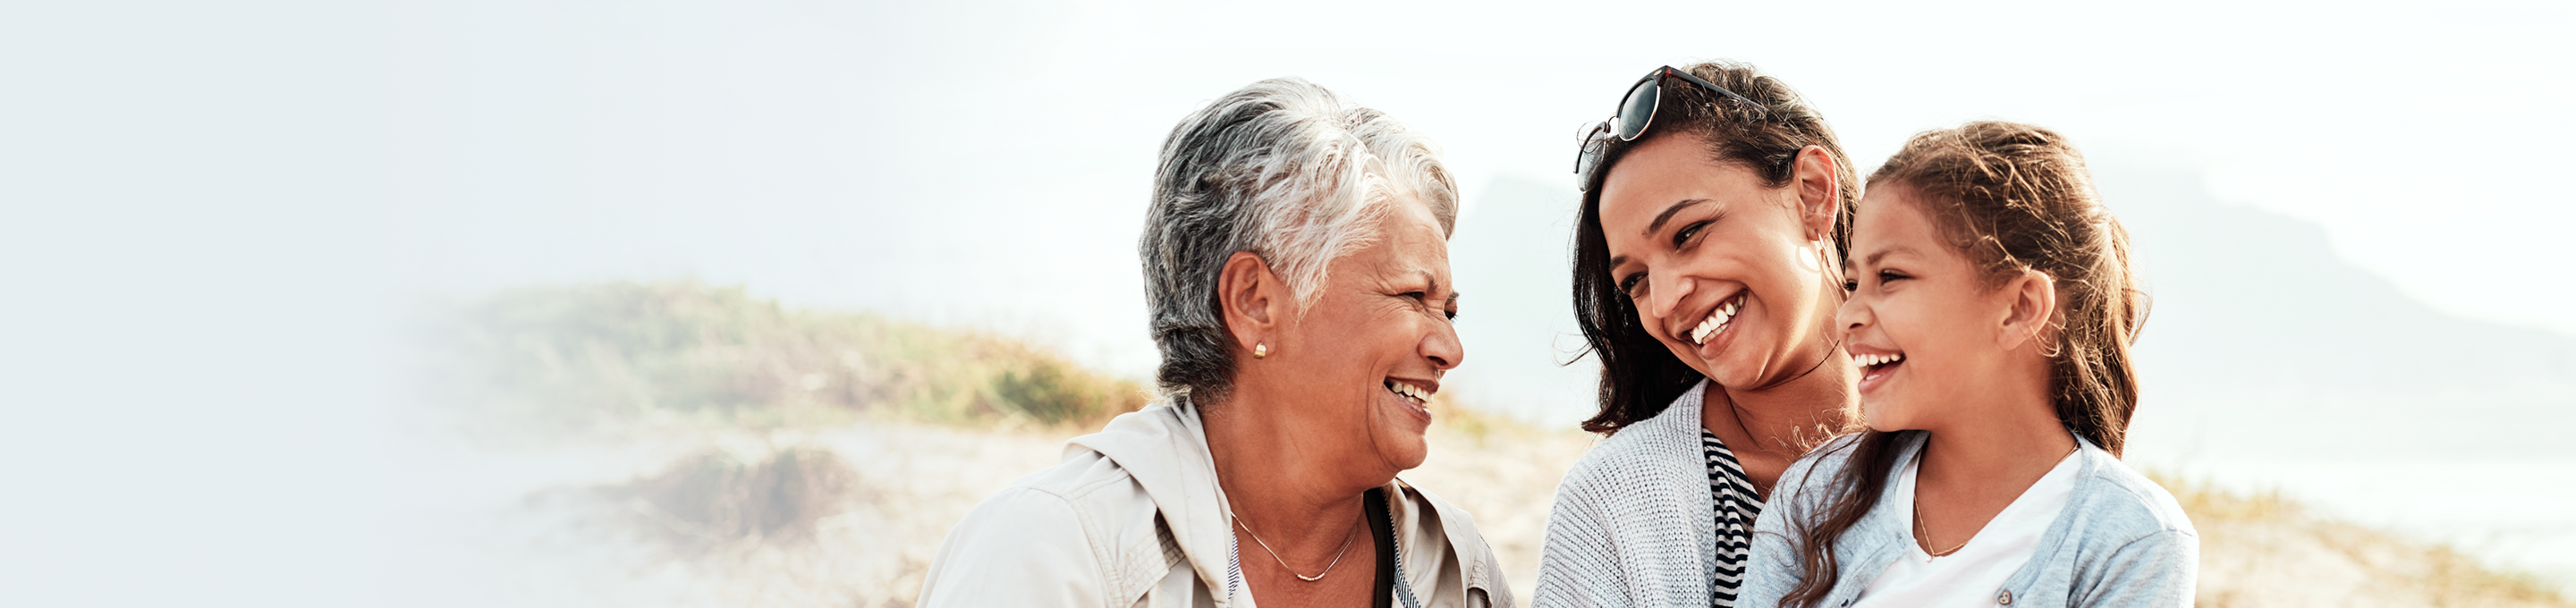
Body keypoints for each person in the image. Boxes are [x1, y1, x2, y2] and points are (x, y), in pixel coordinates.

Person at [916, 78, 1513, 608]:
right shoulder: (1051, 554)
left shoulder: (1459, 576)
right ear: (1255, 302)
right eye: (1413, 296)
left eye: (1450, 310)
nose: (1448, 350)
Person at [1739, 122, 2197, 608]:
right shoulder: (1816, 494)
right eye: (1853, 283)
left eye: (1890, 276)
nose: (1848, 315)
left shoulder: (2132, 539)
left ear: (2020, 307)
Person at [1536, 61, 1865, 607]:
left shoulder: (1979, 433)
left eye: (1687, 233)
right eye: (1635, 281)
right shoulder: (1610, 506)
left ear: (1812, 192)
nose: (1664, 302)